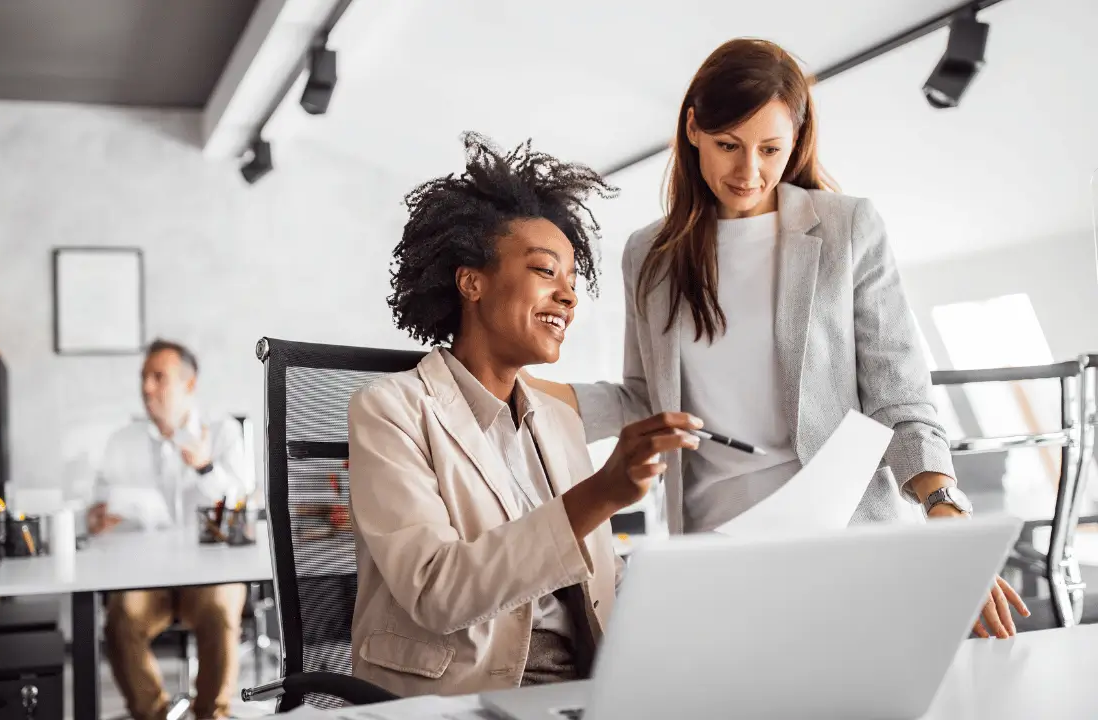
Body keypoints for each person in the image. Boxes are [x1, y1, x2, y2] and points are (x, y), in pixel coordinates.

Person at [522, 38, 1029, 639]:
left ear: (797, 138)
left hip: (842, 541)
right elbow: (643, 399)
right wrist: (515, 391)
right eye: (728, 146)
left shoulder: (846, 229)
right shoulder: (650, 255)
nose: (749, 172)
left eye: (771, 149)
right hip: (716, 550)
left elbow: (899, 399)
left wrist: (945, 510)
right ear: (692, 130)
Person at [346, 133, 700, 698]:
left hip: (584, 686)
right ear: (472, 283)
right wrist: (603, 493)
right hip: (466, 695)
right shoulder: (390, 411)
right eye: (544, 271)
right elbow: (438, 591)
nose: (569, 297)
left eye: (572, 281)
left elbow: (594, 577)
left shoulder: (557, 419)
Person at [88, 339, 252, 720]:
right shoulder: (120, 441)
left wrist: (205, 467)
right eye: (144, 377)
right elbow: (96, 506)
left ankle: (213, 714)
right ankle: (153, 715)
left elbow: (241, 502)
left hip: (211, 573)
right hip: (144, 576)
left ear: (189, 385)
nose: (146, 387)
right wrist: (96, 518)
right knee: (121, 617)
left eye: (158, 377)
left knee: (221, 608)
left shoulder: (224, 432)